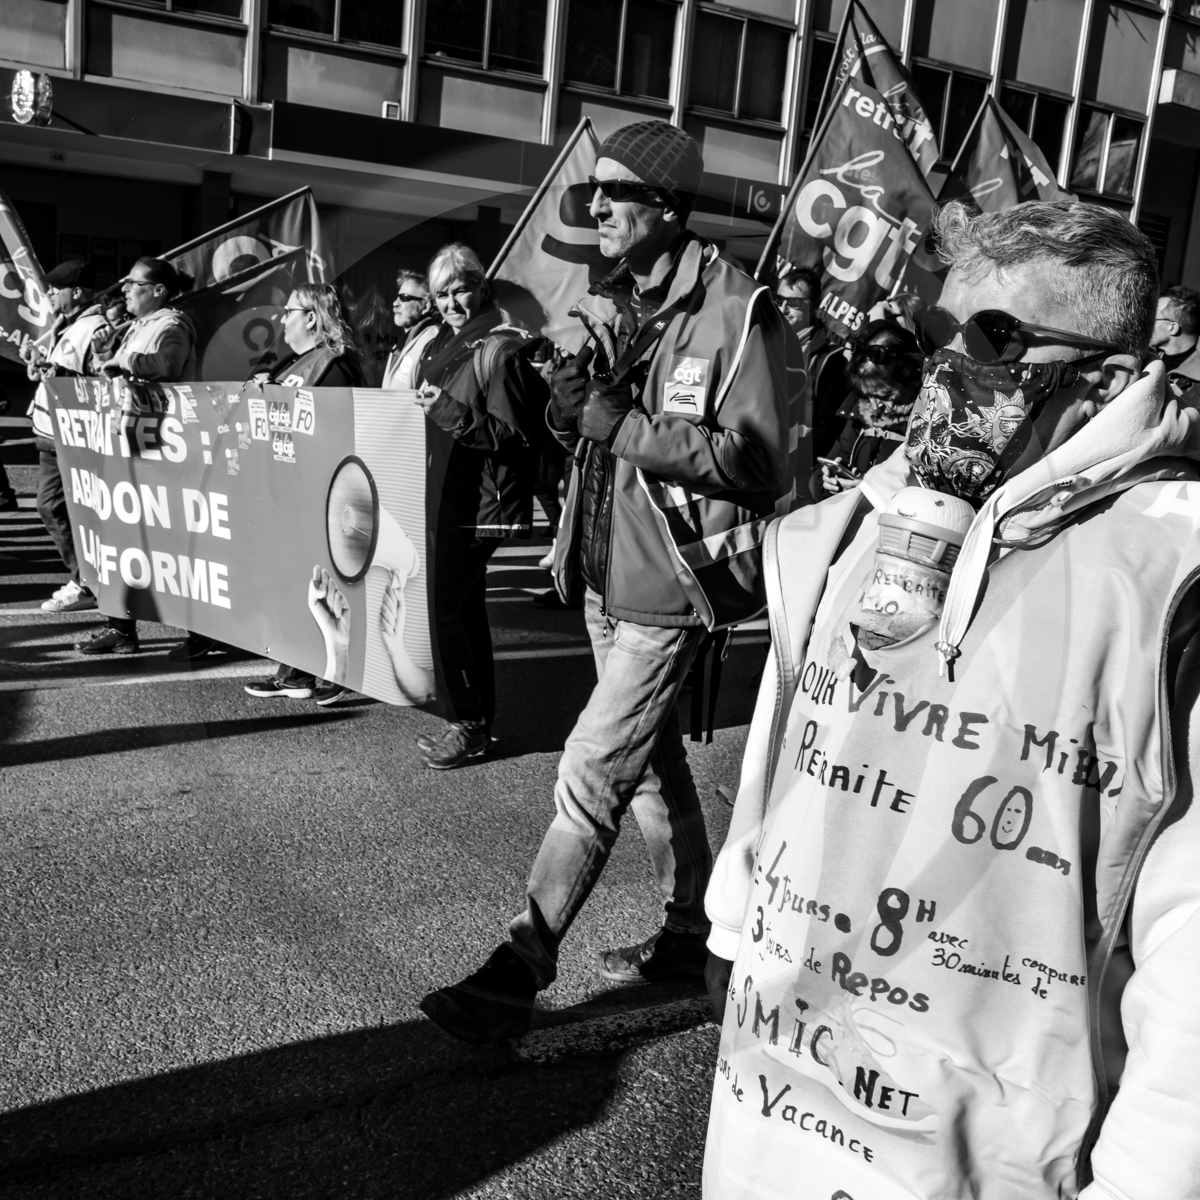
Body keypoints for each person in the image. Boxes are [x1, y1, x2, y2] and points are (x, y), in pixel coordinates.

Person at [701, 199, 1200, 1199]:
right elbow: (786, 759)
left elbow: (1191, 979)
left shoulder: (1174, 586)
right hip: (776, 1122)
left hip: (986, 1167)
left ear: (1104, 377)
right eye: (944, 331)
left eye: (996, 339)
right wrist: (728, 928)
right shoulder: (847, 534)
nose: (946, 367)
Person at [420, 120, 789, 1042]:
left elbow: (756, 465)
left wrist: (617, 423)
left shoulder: (736, 309)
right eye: (590, 197)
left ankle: (519, 964)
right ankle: (689, 927)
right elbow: (601, 434)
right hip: (596, 573)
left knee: (591, 769)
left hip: (670, 588)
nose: (596, 213)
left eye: (612, 197)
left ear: (664, 206)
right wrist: (570, 413)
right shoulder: (619, 302)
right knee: (652, 768)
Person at [409, 242, 544, 769]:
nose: (451, 301)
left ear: (481, 287)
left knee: (444, 612)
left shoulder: (500, 348)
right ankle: (474, 720)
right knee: (462, 612)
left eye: (460, 288)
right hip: (442, 493)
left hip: (476, 503)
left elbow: (512, 436)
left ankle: (468, 723)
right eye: (442, 293)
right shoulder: (448, 342)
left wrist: (447, 411)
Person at [237, 284, 364, 694]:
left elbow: (333, 430)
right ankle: (295, 671)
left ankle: (328, 672)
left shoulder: (334, 365)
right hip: (288, 490)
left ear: (311, 317)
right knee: (292, 580)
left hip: (319, 493)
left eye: (288, 311)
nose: (281, 319)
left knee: (321, 586)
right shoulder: (296, 363)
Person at [74, 257, 196, 656]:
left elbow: (168, 365)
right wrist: (105, 355)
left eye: (133, 283)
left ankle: (203, 633)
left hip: (159, 450)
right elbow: (116, 373)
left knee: (169, 547)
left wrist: (123, 360)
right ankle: (121, 629)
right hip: (129, 444)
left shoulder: (171, 325)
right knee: (120, 540)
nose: (124, 288)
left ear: (158, 290)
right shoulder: (139, 325)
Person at [20, 260, 108, 611]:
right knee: (58, 507)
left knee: (56, 506)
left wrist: (57, 372)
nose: (51, 294)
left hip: (70, 435)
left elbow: (97, 381)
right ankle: (85, 578)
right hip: (52, 431)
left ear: (78, 291)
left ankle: (88, 582)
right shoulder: (67, 324)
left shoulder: (93, 328)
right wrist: (41, 365)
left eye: (57, 288)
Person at [812, 320, 923, 500]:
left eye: (886, 395)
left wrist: (871, 493)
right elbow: (829, 463)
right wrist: (826, 481)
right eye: (868, 395)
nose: (875, 405)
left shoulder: (928, 431)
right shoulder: (861, 413)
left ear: (915, 379)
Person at [776, 266, 846, 458]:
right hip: (757, 455)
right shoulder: (762, 342)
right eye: (779, 300)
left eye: (794, 303)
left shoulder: (830, 358)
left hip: (795, 465)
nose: (783, 309)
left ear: (814, 306)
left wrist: (798, 464)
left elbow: (827, 428)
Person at [382, 270, 438, 391]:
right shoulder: (411, 340)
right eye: (397, 297)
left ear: (425, 306)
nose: (395, 303)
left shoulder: (431, 342)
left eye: (404, 298)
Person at [1149, 284, 1200, 397]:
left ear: (1172, 328)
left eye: (1153, 318)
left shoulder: (1196, 385)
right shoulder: (1145, 358)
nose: (1146, 324)